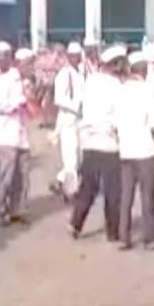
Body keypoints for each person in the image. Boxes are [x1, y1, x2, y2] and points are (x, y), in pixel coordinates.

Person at [70, 45, 125, 240]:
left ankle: (76, 224)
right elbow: (120, 116)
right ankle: (113, 231)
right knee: (113, 191)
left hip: (89, 141)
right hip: (109, 143)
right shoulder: (116, 86)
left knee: (88, 187)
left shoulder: (91, 81)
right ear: (116, 65)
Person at [115, 51, 154, 250]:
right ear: (144, 71)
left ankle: (124, 236)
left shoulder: (120, 91)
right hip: (144, 150)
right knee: (147, 196)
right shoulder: (146, 91)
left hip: (125, 150)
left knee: (126, 196)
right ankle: (148, 237)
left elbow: (114, 122)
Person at [0, 44, 33, 225]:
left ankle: (17, 209)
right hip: (6, 134)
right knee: (6, 177)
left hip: (21, 134)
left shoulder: (24, 82)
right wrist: (19, 102)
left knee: (22, 176)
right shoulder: (4, 81)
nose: (30, 68)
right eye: (28, 64)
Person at [50, 43, 84, 200]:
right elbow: (58, 98)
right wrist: (76, 106)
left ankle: (60, 180)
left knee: (80, 156)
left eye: (78, 56)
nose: (76, 59)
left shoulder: (81, 73)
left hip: (81, 120)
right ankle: (70, 192)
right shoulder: (63, 75)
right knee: (70, 157)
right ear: (68, 57)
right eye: (73, 56)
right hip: (68, 119)